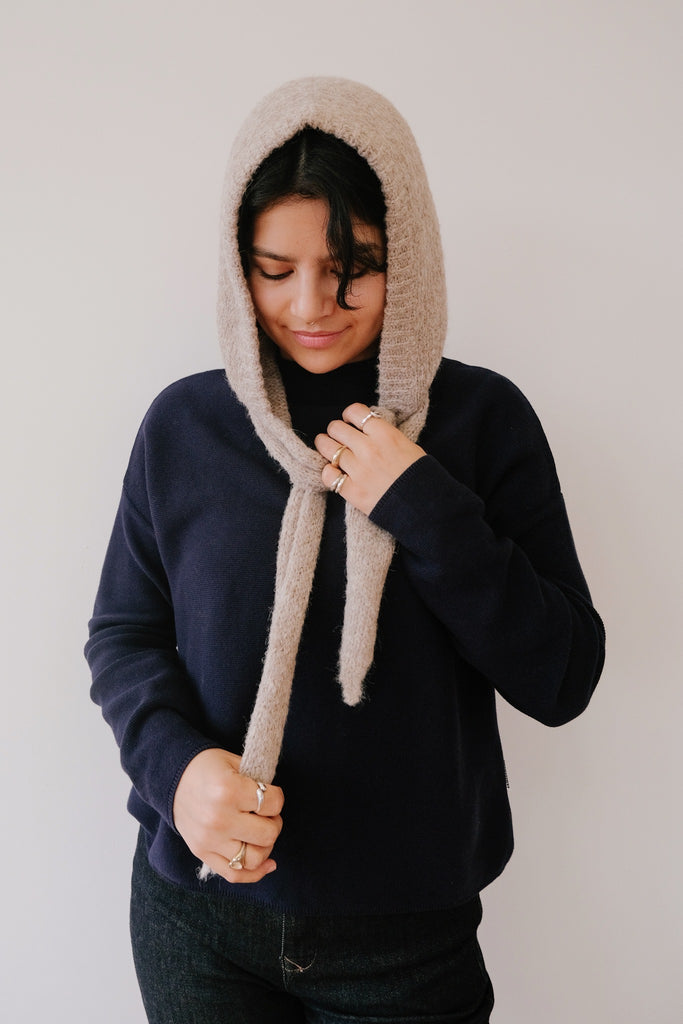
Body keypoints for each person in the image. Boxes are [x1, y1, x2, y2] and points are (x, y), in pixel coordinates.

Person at [85, 77, 605, 1023]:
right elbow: (124, 636)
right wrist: (176, 773)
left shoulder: (482, 422)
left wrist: (419, 502)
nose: (310, 304)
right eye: (272, 269)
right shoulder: (184, 427)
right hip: (194, 920)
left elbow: (561, 676)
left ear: (407, 252)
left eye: (350, 266)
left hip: (405, 944)